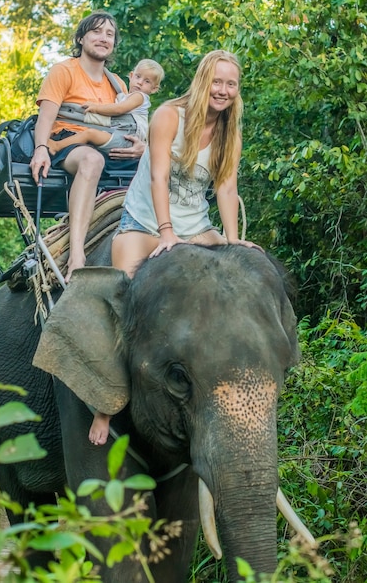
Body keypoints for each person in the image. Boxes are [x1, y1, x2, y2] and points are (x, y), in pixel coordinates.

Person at [88, 49, 263, 446]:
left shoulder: (228, 129)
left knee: (241, 281)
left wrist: (232, 240)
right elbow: (159, 176)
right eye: (217, 81)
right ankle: (106, 402)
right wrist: (166, 232)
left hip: (197, 227)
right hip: (148, 223)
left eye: (231, 84)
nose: (223, 90)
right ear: (203, 80)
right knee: (124, 299)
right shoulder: (170, 114)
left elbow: (226, 187)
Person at [29, 10, 146, 283]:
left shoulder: (116, 81)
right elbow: (46, 117)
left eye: (109, 34)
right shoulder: (64, 70)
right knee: (92, 159)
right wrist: (41, 149)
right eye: (96, 31)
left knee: (162, 161)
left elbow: (133, 123)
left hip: (109, 144)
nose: (103, 38)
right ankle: (77, 255)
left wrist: (142, 147)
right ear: (81, 38)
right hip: (69, 144)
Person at [47, 59, 164, 155]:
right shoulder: (125, 96)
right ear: (131, 76)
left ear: (154, 89)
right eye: (138, 77)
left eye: (147, 81)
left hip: (126, 139)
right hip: (122, 136)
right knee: (92, 135)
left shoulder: (139, 97)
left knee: (90, 134)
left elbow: (119, 109)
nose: (140, 82)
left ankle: (57, 146)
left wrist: (96, 107)